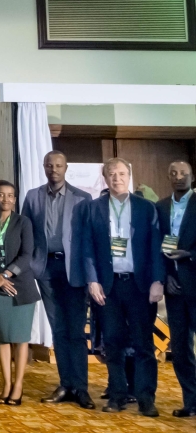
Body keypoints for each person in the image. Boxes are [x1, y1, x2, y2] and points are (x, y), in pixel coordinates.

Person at [78, 157, 164, 418]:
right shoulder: (93, 209)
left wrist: (157, 281)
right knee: (112, 344)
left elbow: (155, 248)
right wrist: (92, 280)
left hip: (139, 286)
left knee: (143, 345)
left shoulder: (146, 208)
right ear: (105, 178)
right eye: (111, 174)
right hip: (108, 287)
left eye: (121, 173)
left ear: (130, 176)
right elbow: (87, 247)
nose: (117, 178)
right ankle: (116, 395)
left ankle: (146, 398)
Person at [21, 150, 94, 409]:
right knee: (58, 329)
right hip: (45, 269)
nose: (54, 169)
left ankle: (81, 388)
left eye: (59, 165)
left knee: (76, 331)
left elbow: (88, 239)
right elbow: (25, 233)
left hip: (73, 270)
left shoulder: (83, 199)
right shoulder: (32, 196)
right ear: (44, 167)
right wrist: (29, 266)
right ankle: (66, 384)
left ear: (66, 168)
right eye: (49, 165)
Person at [0, 180, 38, 406]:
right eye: (1, 195)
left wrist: (6, 276)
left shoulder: (23, 222)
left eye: (11, 195)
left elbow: (27, 255)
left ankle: (18, 385)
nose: (6, 199)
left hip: (20, 287)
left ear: (15, 199)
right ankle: (5, 384)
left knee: (20, 340)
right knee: (3, 339)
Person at [158, 160, 196, 417]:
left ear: (192, 176)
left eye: (184, 173)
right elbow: (154, 246)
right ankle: (191, 401)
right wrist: (164, 276)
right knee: (181, 348)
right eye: (174, 173)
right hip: (174, 287)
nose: (179, 177)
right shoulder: (160, 207)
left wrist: (190, 255)